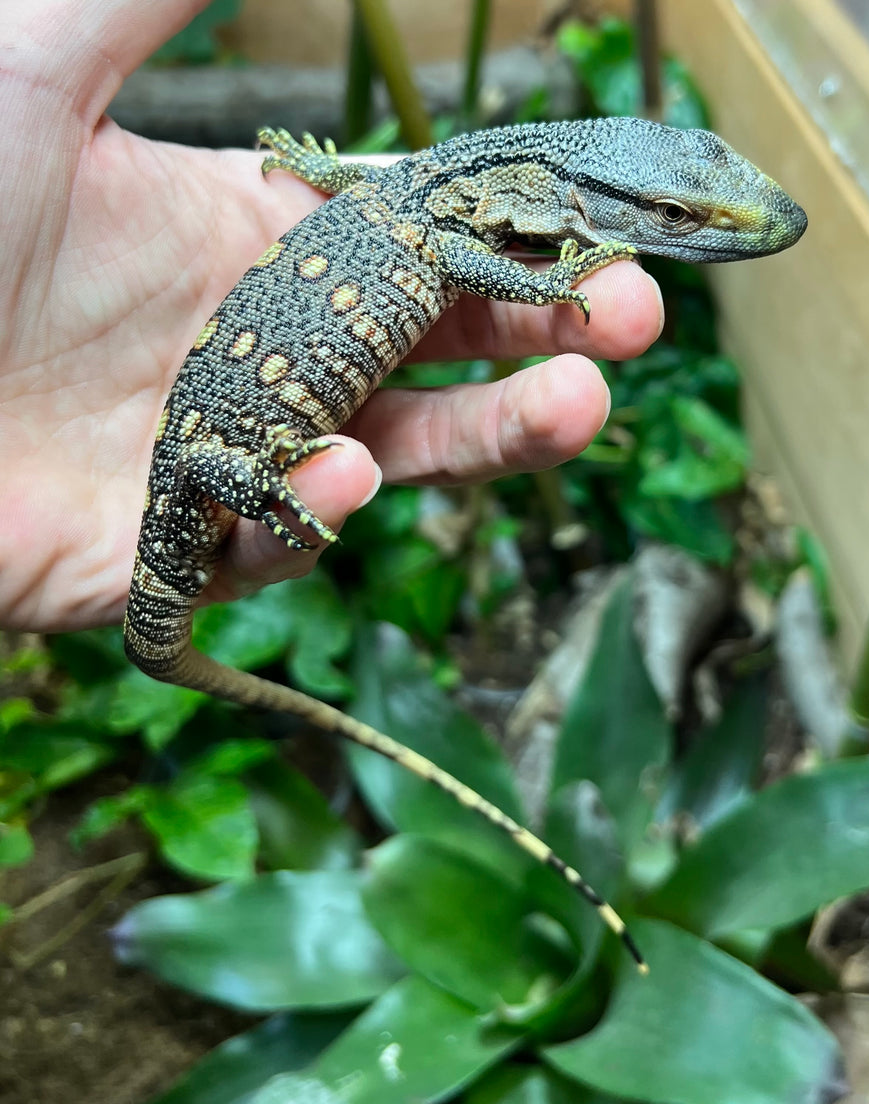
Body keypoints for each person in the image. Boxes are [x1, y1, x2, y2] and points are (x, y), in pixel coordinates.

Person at [0, 0, 665, 634]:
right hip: (204, 466)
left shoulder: (426, 192)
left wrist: (318, 168)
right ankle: (242, 514)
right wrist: (549, 285)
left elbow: (433, 237)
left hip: (201, 448)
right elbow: (455, 259)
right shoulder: (438, 209)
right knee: (216, 466)